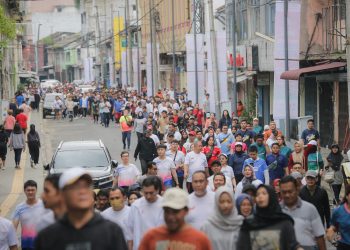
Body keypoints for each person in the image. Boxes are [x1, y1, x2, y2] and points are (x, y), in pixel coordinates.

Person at [35, 167, 127, 250]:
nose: (82, 191)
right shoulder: (47, 236)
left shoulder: (112, 232)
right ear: (62, 195)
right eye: (76, 187)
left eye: (86, 186)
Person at [139, 188, 212, 250]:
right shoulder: (151, 237)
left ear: (186, 211)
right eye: (167, 211)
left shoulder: (201, 240)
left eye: (175, 211)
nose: (170, 217)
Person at [237, 184, 300, 250]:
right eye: (258, 194)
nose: (260, 196)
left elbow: (293, 245)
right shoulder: (249, 223)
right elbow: (241, 246)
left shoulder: (284, 222)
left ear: (271, 196)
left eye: (264, 193)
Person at [280, 176, 326, 250]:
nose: (287, 195)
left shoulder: (310, 209)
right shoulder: (276, 210)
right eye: (284, 192)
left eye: (290, 191)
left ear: (297, 190)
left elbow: (319, 237)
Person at [127, 176, 164, 250]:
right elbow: (130, 232)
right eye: (145, 193)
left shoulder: (165, 205)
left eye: (151, 193)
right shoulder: (136, 206)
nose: (148, 196)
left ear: (157, 190)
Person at [12, 180, 47, 250]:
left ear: (36, 190)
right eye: (28, 190)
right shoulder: (19, 208)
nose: (30, 192)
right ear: (24, 191)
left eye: (32, 190)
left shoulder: (44, 205)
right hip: (26, 244)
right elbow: (13, 228)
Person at [327, 185, 350, 250]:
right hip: (344, 245)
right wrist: (331, 231)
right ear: (347, 196)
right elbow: (334, 226)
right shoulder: (338, 211)